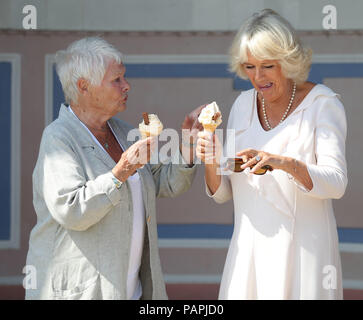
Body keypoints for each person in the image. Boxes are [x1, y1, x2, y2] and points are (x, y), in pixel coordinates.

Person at [25, 37, 202, 300]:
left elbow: (164, 183)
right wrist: (120, 172)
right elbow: (71, 210)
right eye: (116, 80)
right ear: (84, 86)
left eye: (124, 77)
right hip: (79, 292)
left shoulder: (124, 132)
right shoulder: (58, 138)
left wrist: (188, 141)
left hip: (131, 291)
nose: (126, 85)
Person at [196, 9, 348, 299]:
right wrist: (211, 161)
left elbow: (337, 183)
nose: (257, 77)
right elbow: (223, 193)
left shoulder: (323, 104)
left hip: (305, 256)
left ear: (288, 61)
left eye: (267, 66)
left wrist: (282, 162)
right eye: (250, 67)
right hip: (248, 255)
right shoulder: (242, 105)